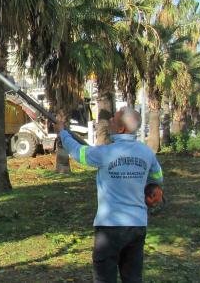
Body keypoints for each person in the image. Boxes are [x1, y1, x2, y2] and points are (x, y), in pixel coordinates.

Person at [59, 106, 163, 283]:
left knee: (104, 278)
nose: (110, 123)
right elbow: (157, 177)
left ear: (121, 128)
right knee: (133, 277)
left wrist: (62, 133)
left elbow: (78, 153)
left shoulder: (105, 153)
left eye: (113, 120)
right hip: (137, 225)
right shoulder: (146, 152)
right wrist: (152, 187)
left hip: (110, 228)